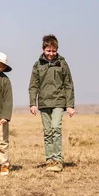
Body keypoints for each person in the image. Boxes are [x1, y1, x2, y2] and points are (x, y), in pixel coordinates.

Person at [29, 35, 75, 172]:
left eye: (53, 51)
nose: (51, 54)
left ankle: (57, 160)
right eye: (48, 51)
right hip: (43, 103)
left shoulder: (62, 63)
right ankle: (49, 160)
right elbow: (33, 86)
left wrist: (70, 105)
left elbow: (69, 85)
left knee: (56, 129)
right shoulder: (37, 65)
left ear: (57, 50)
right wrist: (33, 103)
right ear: (43, 49)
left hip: (59, 102)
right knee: (47, 132)